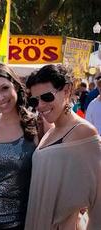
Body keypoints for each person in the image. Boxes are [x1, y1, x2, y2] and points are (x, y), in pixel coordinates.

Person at [25, 64, 101, 230]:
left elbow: (98, 201)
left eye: (46, 97)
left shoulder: (84, 132)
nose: (40, 106)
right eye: (34, 100)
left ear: (66, 90)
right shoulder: (51, 131)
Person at [0, 62, 37, 230]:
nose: (0, 97)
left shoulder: (39, 124)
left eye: (4, 88)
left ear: (16, 86)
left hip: (23, 223)